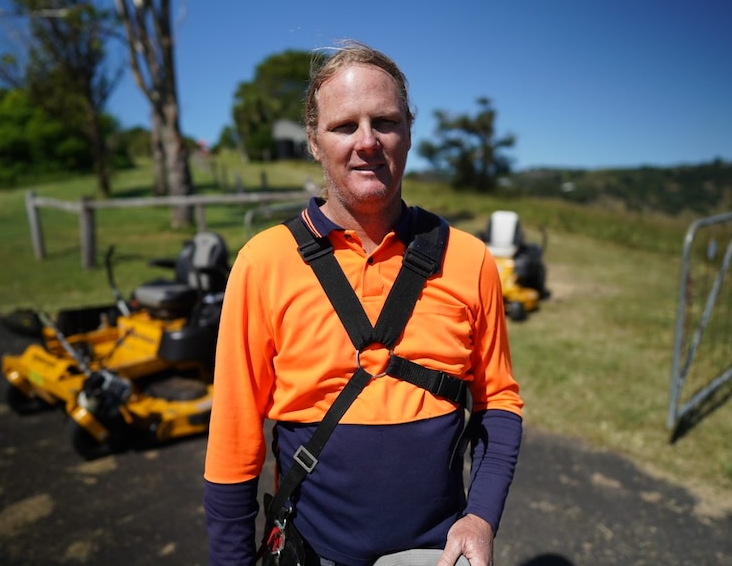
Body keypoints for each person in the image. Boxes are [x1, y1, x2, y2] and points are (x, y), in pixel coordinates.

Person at [203, 41, 523, 566]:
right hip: (310, 553)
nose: (368, 142)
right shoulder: (264, 262)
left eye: (386, 122)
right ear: (313, 140)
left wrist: (482, 515)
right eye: (345, 126)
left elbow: (499, 404)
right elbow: (234, 437)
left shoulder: (470, 259)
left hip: (434, 553)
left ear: (410, 132)